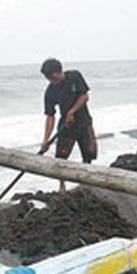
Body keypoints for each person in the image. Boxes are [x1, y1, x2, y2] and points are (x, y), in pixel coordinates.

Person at [38, 58, 97, 192]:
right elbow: (50, 116)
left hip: (84, 123)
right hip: (66, 127)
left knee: (88, 154)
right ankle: (62, 185)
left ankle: (86, 182)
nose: (51, 80)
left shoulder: (75, 76)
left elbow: (84, 96)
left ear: (58, 72)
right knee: (61, 159)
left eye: (52, 77)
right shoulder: (50, 92)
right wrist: (46, 140)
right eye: (48, 78)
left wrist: (72, 111)